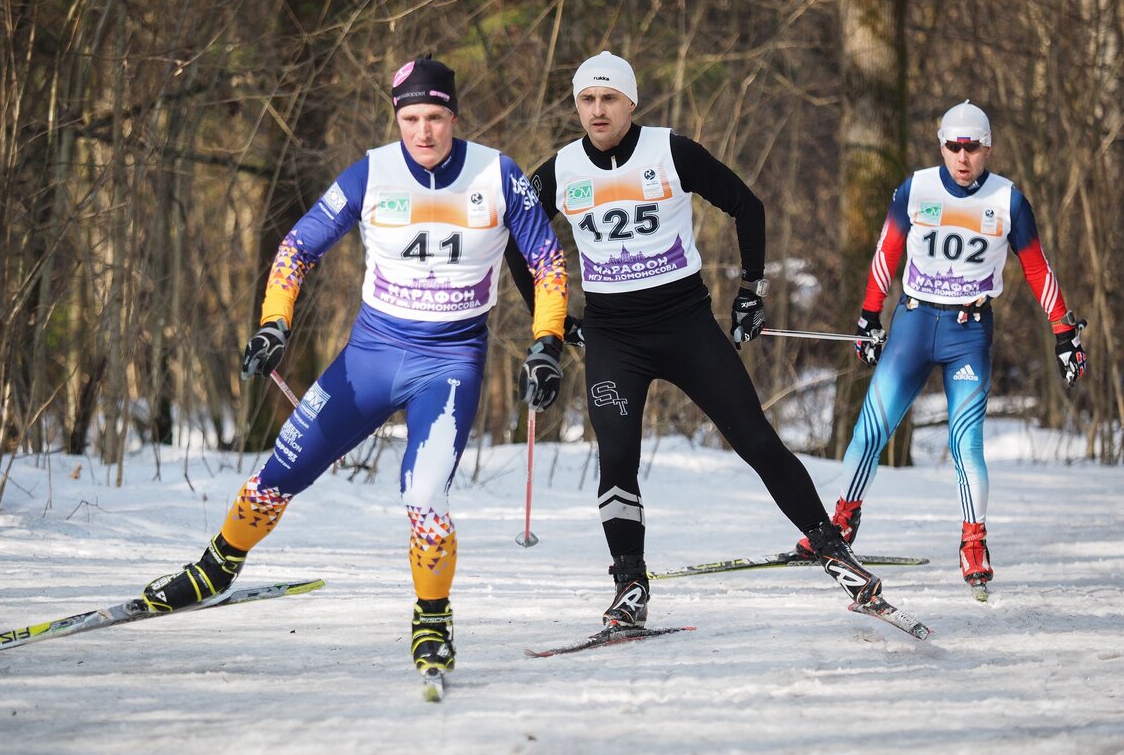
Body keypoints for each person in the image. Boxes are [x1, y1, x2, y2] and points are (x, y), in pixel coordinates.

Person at [141, 57, 569, 681]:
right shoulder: (371, 172)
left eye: (436, 118)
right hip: (370, 357)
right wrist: (274, 322)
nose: (423, 132)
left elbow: (548, 263)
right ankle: (215, 568)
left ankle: (431, 616)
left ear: (454, 117)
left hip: (450, 363)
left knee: (423, 492)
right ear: (398, 118)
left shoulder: (496, 174)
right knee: (279, 471)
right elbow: (296, 247)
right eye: (411, 118)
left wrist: (546, 342)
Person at [506, 50, 885, 629]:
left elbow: (747, 206)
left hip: (685, 326)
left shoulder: (669, 150)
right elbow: (520, 242)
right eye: (587, 99)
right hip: (614, 338)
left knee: (756, 439)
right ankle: (630, 584)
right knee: (616, 461)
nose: (598, 110)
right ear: (577, 106)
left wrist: (750, 292)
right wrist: (551, 324)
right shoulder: (559, 170)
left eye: (610, 99)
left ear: (630, 103)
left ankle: (834, 552)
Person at [794, 100, 1088, 598]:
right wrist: (869, 316)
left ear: (987, 148)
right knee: (872, 427)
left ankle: (974, 540)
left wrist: (1064, 331)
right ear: (942, 146)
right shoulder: (917, 188)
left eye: (972, 146)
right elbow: (887, 251)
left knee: (964, 442)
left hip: (968, 331)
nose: (962, 156)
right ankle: (843, 520)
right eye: (953, 145)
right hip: (913, 321)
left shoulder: (1007, 200)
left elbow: (1038, 269)